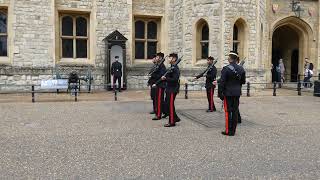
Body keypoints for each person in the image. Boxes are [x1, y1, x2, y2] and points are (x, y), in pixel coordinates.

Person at [218, 51, 246, 136]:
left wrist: (220, 93)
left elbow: (222, 82)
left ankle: (228, 131)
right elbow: (243, 81)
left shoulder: (226, 69)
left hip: (228, 93)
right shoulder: (241, 69)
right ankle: (233, 130)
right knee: (234, 111)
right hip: (237, 93)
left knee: (227, 112)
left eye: (228, 57)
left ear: (230, 59)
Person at [160, 53, 181, 127]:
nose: (169, 59)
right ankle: (175, 117)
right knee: (168, 104)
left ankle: (172, 121)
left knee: (170, 105)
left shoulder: (175, 68)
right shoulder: (171, 67)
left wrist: (166, 78)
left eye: (170, 58)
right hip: (169, 88)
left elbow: (175, 79)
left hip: (173, 89)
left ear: (174, 59)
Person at [151, 52, 167, 120]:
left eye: (157, 57)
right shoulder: (158, 65)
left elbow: (161, 76)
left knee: (159, 100)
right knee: (157, 100)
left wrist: (154, 75)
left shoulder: (162, 66)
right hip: (157, 85)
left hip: (160, 85)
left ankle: (159, 115)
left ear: (160, 58)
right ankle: (164, 112)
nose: (156, 58)